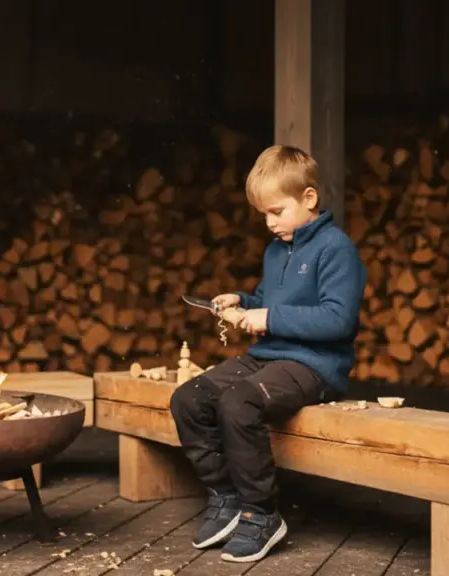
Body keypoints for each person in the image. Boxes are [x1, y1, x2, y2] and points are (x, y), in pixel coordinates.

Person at [169, 144, 366, 563]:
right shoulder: (277, 248)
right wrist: (240, 300)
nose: (269, 222)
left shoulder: (336, 249)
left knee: (239, 402)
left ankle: (261, 514)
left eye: (276, 211)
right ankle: (224, 496)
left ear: (308, 198)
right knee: (187, 398)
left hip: (314, 365)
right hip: (270, 357)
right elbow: (267, 298)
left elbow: (337, 321)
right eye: (264, 214)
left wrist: (267, 318)